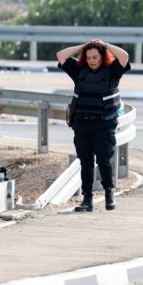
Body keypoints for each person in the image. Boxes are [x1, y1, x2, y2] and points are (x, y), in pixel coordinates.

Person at [56, 39, 130, 212]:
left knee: (104, 159)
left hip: (104, 125)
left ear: (102, 56)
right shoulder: (78, 71)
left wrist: (104, 45)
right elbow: (60, 56)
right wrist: (83, 46)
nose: (92, 61)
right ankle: (87, 200)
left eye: (95, 57)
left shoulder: (112, 72)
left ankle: (109, 194)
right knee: (86, 162)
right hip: (81, 125)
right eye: (88, 57)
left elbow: (124, 56)